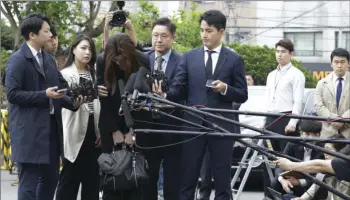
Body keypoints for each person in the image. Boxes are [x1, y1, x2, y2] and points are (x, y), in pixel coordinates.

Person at [153, 10, 248, 200]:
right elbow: (179, 89)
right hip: (192, 125)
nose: (204, 35)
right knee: (187, 179)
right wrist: (163, 94)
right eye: (202, 30)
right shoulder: (189, 57)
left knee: (222, 181)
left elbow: (242, 93)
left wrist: (225, 89)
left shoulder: (234, 59)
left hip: (222, 125)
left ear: (221, 32)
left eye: (209, 31)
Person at [5, 13, 81, 200]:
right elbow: (12, 94)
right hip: (29, 132)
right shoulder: (17, 60)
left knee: (50, 181)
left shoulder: (47, 58)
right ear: (32, 35)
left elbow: (61, 88)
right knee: (28, 185)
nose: (50, 35)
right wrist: (43, 95)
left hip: (51, 132)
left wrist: (75, 101)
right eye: (46, 31)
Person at [96, 33, 150, 200]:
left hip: (136, 122)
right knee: (111, 177)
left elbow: (144, 102)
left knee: (133, 178)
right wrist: (113, 130)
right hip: (109, 121)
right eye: (115, 60)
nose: (119, 63)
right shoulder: (102, 60)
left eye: (122, 59)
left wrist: (132, 130)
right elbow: (104, 99)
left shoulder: (143, 61)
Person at [134, 17, 183, 200]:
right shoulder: (143, 59)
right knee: (148, 178)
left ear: (172, 38)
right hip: (147, 128)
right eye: (155, 35)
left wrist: (165, 96)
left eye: (164, 36)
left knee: (172, 180)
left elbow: (181, 90)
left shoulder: (181, 61)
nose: (159, 40)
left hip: (172, 129)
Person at [55, 34, 101, 200]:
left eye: (90, 49)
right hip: (73, 133)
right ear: (73, 49)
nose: (87, 52)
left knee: (92, 185)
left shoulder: (95, 75)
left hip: (93, 134)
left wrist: (100, 132)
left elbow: (99, 107)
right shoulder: (65, 75)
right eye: (83, 48)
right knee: (68, 183)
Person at [264, 39, 305, 152]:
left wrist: (293, 122)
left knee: (287, 156)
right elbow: (267, 98)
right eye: (277, 51)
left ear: (291, 54)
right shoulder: (271, 75)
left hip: (286, 118)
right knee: (269, 154)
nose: (279, 54)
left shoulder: (297, 74)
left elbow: (298, 101)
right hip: (270, 118)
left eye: (283, 51)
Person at [269, 120, 324, 198]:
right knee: (276, 182)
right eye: (307, 134)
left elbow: (322, 177)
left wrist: (300, 182)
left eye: (315, 134)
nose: (311, 138)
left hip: (311, 183)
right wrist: (282, 180)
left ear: (319, 135)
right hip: (294, 178)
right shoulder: (293, 143)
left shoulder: (324, 149)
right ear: (301, 134)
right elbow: (279, 165)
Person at [289, 134, 349, 200]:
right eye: (325, 149)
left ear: (340, 152)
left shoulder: (345, 176)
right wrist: (302, 198)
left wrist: (289, 165)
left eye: (329, 149)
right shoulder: (323, 167)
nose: (325, 153)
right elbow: (315, 186)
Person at [314, 48, 350, 138]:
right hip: (328, 132)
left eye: (342, 62)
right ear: (331, 64)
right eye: (336, 62)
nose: (339, 65)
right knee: (327, 152)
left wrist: (343, 120)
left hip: (348, 131)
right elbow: (318, 105)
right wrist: (333, 118)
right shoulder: (322, 83)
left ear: (348, 63)